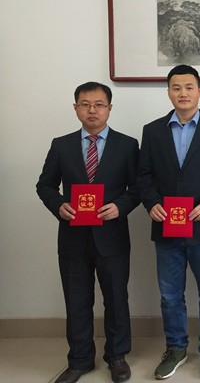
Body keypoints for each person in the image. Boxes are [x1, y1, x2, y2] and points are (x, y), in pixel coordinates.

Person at [137, 64, 200, 380]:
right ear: (168, 92)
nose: (183, 93)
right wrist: (151, 203)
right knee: (170, 295)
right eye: (176, 87)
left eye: (189, 87)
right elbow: (143, 175)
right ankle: (176, 348)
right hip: (166, 224)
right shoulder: (152, 131)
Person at [36, 82, 139, 383]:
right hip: (73, 238)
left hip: (112, 236)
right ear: (75, 108)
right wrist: (59, 205)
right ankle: (79, 360)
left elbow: (138, 188)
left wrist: (120, 207)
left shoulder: (127, 145)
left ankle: (117, 356)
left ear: (109, 108)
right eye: (85, 104)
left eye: (99, 104)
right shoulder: (61, 145)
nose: (92, 110)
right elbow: (45, 186)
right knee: (77, 301)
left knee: (116, 300)